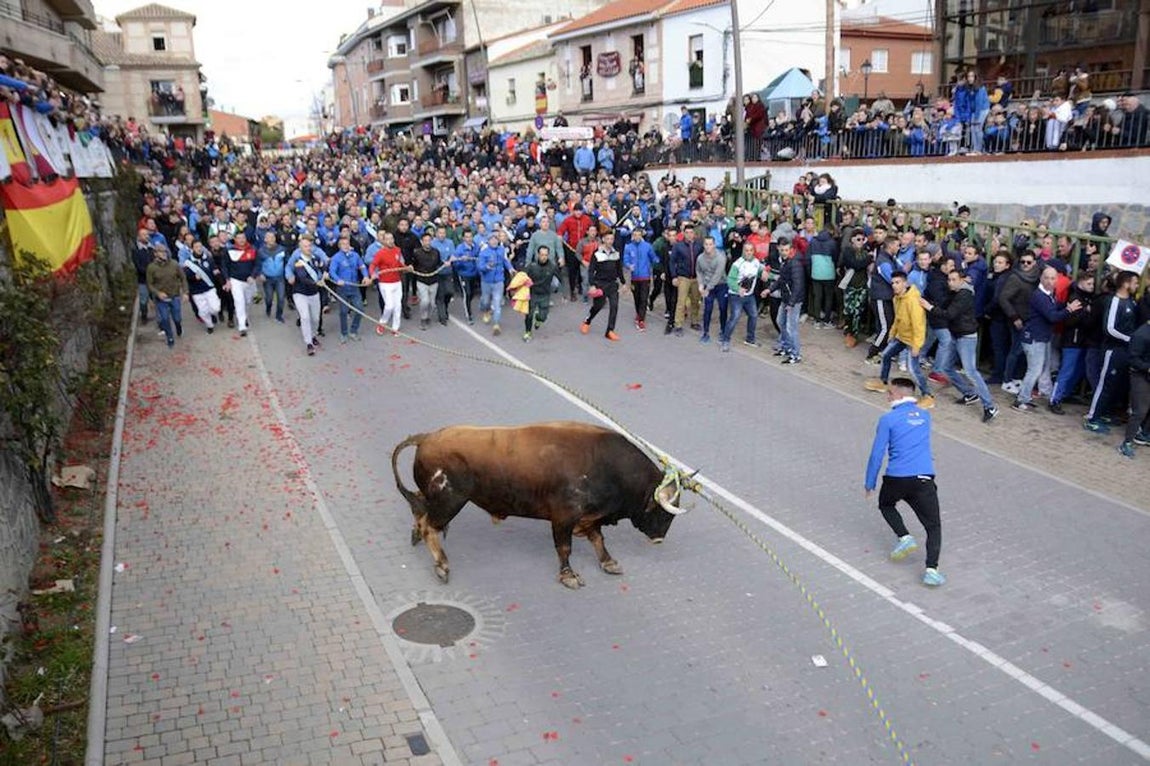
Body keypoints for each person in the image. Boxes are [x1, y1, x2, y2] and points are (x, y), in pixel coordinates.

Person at [864, 377, 946, 587]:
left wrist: (870, 482)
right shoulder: (926, 416)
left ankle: (905, 537)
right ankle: (931, 570)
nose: (887, 396)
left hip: (897, 478)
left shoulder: (888, 419)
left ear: (899, 395)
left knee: (886, 504)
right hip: (924, 478)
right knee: (933, 526)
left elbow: (876, 454)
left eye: (890, 393)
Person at [920, 268, 999, 422]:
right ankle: (969, 393)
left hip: (966, 337)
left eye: (954, 279)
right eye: (949, 279)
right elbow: (944, 305)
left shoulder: (964, 294)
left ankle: (990, 406)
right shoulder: (957, 293)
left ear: (962, 280)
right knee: (946, 367)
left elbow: (949, 314)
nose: (950, 283)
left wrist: (929, 307)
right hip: (957, 334)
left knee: (971, 372)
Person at [864, 271, 934, 407]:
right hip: (901, 336)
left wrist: (916, 345)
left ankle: (928, 396)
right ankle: (883, 382)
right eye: (893, 283)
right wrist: (892, 333)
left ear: (905, 283)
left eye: (898, 283)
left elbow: (919, 325)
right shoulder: (897, 298)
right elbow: (897, 318)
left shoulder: (913, 301)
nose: (895, 286)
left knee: (913, 370)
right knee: (885, 355)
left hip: (912, 340)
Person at [1084, 271, 1140, 433]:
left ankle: (1104, 413)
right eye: (1135, 282)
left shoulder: (1131, 302)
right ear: (1125, 284)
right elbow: (1109, 328)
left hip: (1125, 351)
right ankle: (1092, 417)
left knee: (1116, 385)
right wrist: (1129, 339)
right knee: (1105, 384)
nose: (1137, 286)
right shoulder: (1115, 301)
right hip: (1113, 350)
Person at [720, 241, 769, 353]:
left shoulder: (756, 262)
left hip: (749, 295)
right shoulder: (737, 264)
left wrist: (765, 273)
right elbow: (730, 280)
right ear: (743, 251)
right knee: (735, 317)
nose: (748, 253)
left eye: (751, 250)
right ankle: (725, 340)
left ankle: (750, 339)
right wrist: (738, 289)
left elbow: (762, 270)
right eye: (746, 250)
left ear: (753, 251)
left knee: (753, 315)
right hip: (736, 295)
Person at [581, 230, 624, 341]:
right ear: (603, 239)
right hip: (600, 283)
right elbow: (591, 271)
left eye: (612, 239)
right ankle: (587, 321)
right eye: (608, 239)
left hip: (613, 284)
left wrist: (623, 282)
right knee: (598, 306)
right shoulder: (597, 253)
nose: (610, 241)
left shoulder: (616, 253)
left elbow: (619, 269)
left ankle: (609, 331)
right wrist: (592, 285)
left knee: (614, 307)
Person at [1118, 317, 1150, 458]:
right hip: (1140, 376)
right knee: (1140, 411)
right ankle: (1127, 442)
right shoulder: (1141, 334)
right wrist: (1148, 368)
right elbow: (1133, 358)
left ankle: (1143, 434)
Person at [287, 237, 325, 355]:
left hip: (314, 293)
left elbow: (323, 267)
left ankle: (313, 335)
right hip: (300, 292)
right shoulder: (298, 262)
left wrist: (325, 275)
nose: (308, 248)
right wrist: (316, 282)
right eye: (305, 246)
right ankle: (308, 343)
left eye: (309, 246)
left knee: (316, 318)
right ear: (300, 248)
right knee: (305, 317)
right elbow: (303, 277)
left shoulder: (316, 258)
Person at [145, 245, 188, 348]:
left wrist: (185, 292)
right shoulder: (151, 268)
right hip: (161, 299)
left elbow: (183, 278)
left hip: (175, 295)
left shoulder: (174, 264)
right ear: (155, 254)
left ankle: (178, 326)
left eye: (165, 251)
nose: (164, 253)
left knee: (177, 317)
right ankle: (170, 336)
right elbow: (149, 284)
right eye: (161, 252)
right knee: (164, 318)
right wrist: (157, 293)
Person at [329, 236, 370, 343]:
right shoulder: (336, 258)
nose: (345, 246)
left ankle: (353, 331)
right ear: (339, 246)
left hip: (354, 287)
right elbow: (332, 272)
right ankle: (344, 333)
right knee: (343, 311)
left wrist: (365, 276)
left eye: (347, 244)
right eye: (343, 244)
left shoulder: (355, 256)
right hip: (342, 288)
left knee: (359, 309)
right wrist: (338, 280)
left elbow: (362, 267)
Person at [220, 231, 259, 337]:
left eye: (243, 237)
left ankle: (245, 316)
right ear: (235, 239)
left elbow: (257, 265)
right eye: (239, 238)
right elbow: (224, 266)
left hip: (249, 281)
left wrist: (253, 275)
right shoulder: (229, 250)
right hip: (235, 280)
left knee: (247, 301)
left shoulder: (253, 249)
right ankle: (242, 326)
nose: (241, 240)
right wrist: (227, 279)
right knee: (239, 301)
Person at [477, 232, 515, 336]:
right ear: (488, 241)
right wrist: (486, 267)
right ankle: (486, 310)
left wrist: (510, 268)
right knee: (485, 301)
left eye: (496, 239)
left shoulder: (501, 250)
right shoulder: (483, 253)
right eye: (491, 239)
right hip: (486, 281)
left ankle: (496, 325)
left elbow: (505, 261)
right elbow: (480, 267)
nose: (494, 241)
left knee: (497, 303)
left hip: (499, 281)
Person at [774, 238, 804, 362]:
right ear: (778, 249)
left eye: (786, 250)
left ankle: (795, 354)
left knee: (791, 327)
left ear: (790, 249)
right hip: (786, 298)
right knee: (780, 321)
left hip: (793, 300)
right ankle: (786, 347)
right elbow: (781, 279)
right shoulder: (784, 262)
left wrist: (791, 303)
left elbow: (798, 285)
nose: (784, 252)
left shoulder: (794, 263)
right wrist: (769, 289)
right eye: (782, 250)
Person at [622, 227, 658, 331]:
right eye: (635, 235)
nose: (637, 237)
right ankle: (639, 314)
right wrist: (629, 265)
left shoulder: (647, 246)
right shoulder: (628, 247)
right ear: (632, 236)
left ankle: (641, 320)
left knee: (643, 298)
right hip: (634, 278)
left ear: (642, 235)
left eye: (639, 235)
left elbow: (653, 258)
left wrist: (658, 261)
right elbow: (625, 259)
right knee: (637, 298)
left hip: (645, 276)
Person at [183, 240, 222, 334]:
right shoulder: (188, 262)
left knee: (216, 308)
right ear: (192, 249)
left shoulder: (208, 259)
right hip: (197, 291)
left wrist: (218, 275)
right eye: (196, 247)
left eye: (200, 246)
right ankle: (210, 325)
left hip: (209, 288)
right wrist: (193, 277)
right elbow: (186, 276)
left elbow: (215, 270)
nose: (199, 249)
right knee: (203, 312)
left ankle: (212, 315)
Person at [669, 225, 702, 335]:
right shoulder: (678, 246)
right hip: (683, 277)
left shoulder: (699, 245)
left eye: (691, 232)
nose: (689, 234)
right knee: (681, 302)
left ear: (694, 233)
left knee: (695, 301)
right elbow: (672, 262)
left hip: (696, 277)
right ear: (683, 233)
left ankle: (694, 321)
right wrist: (674, 276)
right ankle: (678, 324)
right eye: (687, 232)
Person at [523, 245, 560, 341]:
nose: (544, 257)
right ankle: (528, 332)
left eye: (546, 255)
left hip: (545, 294)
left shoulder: (552, 267)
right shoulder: (531, 266)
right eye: (542, 255)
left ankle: (538, 319)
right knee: (529, 314)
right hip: (532, 293)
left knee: (543, 316)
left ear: (548, 255)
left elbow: (561, 278)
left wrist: (565, 294)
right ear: (538, 255)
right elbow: (522, 277)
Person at [695, 235, 728, 344]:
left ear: (714, 245)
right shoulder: (700, 258)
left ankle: (723, 331)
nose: (708, 246)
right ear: (703, 245)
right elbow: (698, 271)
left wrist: (707, 288)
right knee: (707, 309)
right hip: (707, 285)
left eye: (710, 244)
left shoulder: (721, 257)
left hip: (721, 285)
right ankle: (705, 333)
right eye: (706, 244)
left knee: (723, 308)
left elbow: (717, 275)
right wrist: (700, 284)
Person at [410, 231, 442, 330]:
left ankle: (428, 317)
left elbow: (439, 263)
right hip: (421, 280)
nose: (427, 242)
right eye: (425, 241)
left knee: (432, 303)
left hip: (433, 280)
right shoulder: (417, 253)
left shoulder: (436, 252)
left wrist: (446, 264)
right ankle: (423, 318)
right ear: (422, 242)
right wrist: (410, 267)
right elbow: (412, 264)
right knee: (425, 301)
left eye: (429, 240)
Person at [258, 230, 287, 323]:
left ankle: (279, 315)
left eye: (273, 237)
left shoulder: (282, 249)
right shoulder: (261, 251)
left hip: (280, 278)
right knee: (269, 298)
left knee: (281, 298)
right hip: (267, 279)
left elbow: (288, 262)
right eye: (269, 237)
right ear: (265, 239)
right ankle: (268, 307)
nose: (271, 239)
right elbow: (257, 264)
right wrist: (260, 274)